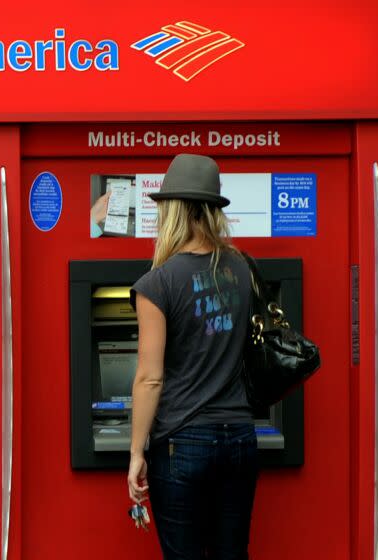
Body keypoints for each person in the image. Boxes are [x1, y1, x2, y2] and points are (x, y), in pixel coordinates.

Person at [126, 154, 257, 559]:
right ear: (212, 211)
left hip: (182, 442)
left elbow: (150, 377)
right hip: (239, 437)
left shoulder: (158, 283)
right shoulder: (243, 269)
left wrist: (135, 453)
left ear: (173, 212)